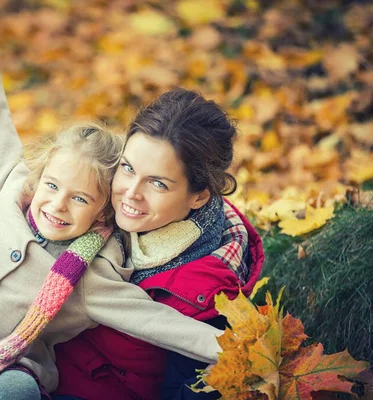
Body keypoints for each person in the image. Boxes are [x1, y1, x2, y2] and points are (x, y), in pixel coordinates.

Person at [0, 28, 225, 400]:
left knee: (17, 391)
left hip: (11, 363)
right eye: (52, 187)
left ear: (102, 211)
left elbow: (156, 322)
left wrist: (238, 349)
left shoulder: (91, 272)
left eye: (81, 199)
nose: (57, 205)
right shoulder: (14, 188)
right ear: (40, 178)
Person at [51, 70, 265, 399]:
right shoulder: (98, 202)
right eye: (127, 168)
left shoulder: (206, 298)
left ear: (199, 196)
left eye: (157, 183)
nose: (129, 193)